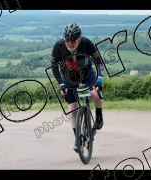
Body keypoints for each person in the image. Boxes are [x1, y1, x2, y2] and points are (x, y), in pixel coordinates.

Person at [51, 23, 104, 153]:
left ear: (79, 39)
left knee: (95, 95)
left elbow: (99, 62)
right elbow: (54, 67)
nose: (69, 44)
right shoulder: (59, 46)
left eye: (73, 41)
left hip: (87, 74)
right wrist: (61, 84)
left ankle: (99, 114)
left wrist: (100, 79)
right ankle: (77, 139)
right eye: (67, 40)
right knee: (72, 108)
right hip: (68, 77)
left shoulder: (86, 43)